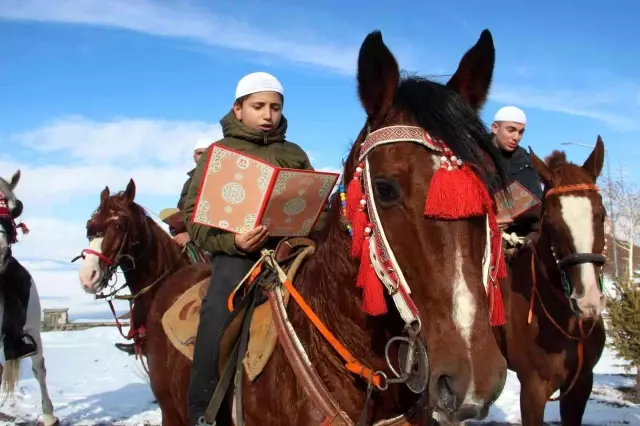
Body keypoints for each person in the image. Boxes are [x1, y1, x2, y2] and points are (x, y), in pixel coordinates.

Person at [183, 71, 323, 425]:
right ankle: (202, 407)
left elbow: (315, 207)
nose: (267, 115)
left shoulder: (294, 153)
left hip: (291, 249)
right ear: (238, 108)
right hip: (237, 254)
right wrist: (233, 241)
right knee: (218, 307)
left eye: (275, 107)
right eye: (258, 106)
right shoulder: (220, 152)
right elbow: (194, 217)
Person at [113, 138, 211, 356]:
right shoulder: (190, 182)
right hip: (185, 234)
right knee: (152, 278)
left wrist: (191, 235)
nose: (201, 156)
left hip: (209, 239)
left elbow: (214, 213)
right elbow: (185, 211)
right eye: (197, 153)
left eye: (206, 152)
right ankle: (144, 334)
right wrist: (175, 223)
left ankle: (202, 332)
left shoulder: (219, 178)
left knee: (208, 279)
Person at [491, 105, 543, 242]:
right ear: (495, 128)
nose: (516, 137)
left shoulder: (527, 161)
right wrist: (489, 219)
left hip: (519, 239)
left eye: (521, 132)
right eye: (511, 130)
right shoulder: (473, 154)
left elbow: (536, 203)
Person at [0, 195, 38, 361]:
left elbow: (15, 212)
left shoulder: (5, 198)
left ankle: (14, 342)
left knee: (21, 280)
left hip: (4, 259)